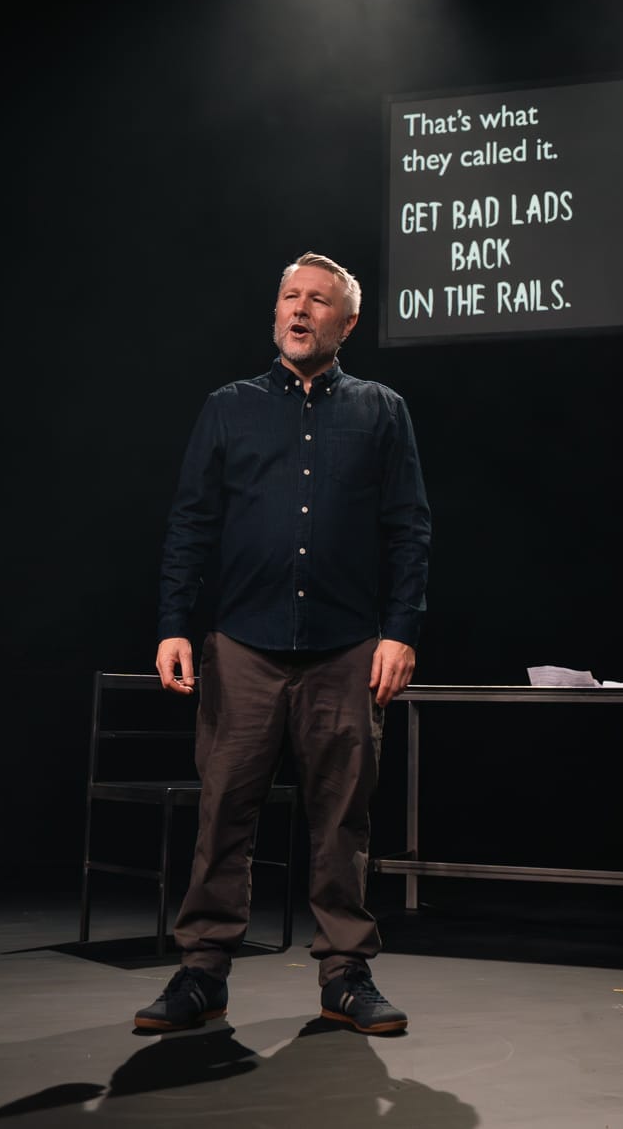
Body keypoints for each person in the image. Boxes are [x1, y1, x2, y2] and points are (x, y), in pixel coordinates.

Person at [138, 251, 432, 1036]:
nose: (300, 309)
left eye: (318, 300)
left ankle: (346, 974)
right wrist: (173, 624)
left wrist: (401, 631)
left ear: (348, 322)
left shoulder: (381, 410)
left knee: (342, 819)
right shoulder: (228, 407)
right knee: (223, 811)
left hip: (346, 645)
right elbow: (190, 524)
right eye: (289, 297)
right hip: (244, 642)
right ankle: (203, 971)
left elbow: (409, 529)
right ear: (275, 313)